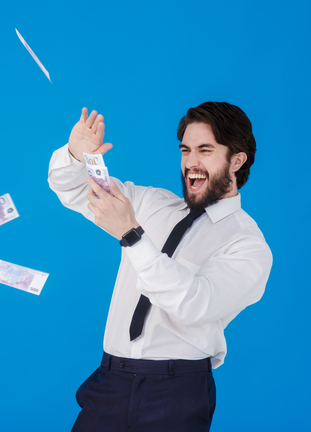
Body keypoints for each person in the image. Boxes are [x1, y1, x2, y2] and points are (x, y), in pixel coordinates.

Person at [48, 102, 273, 432]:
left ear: (236, 160)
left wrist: (131, 235)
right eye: (185, 150)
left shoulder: (247, 245)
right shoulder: (148, 203)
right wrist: (76, 155)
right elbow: (76, 190)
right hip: (110, 381)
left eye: (205, 150)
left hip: (175, 391)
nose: (191, 163)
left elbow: (194, 303)